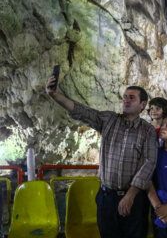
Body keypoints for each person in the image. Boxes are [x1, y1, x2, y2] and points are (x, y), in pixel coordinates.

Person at [46, 76, 158, 238]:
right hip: (107, 197)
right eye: (125, 97)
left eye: (131, 98)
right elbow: (82, 111)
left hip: (134, 199)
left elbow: (148, 163)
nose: (126, 100)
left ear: (142, 105)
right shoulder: (109, 120)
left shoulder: (147, 131)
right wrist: (56, 95)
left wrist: (130, 195)